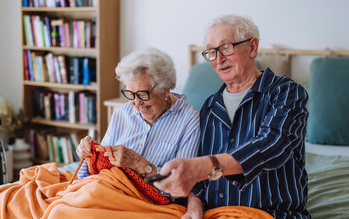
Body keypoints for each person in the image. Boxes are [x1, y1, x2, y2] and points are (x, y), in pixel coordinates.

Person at [154, 15, 310, 219]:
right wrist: (194, 204)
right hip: (215, 214)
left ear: (252, 47)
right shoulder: (209, 106)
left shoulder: (287, 93)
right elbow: (200, 180)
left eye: (226, 47)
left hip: (270, 214)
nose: (219, 59)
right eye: (211, 52)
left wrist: (203, 166)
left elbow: (272, 145)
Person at [76, 48, 202, 217]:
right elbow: (92, 173)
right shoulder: (123, 113)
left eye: (142, 94)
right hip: (106, 190)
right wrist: (88, 154)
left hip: (146, 204)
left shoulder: (189, 120)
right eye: (130, 94)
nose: (135, 103)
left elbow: (180, 188)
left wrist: (139, 164)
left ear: (166, 89)